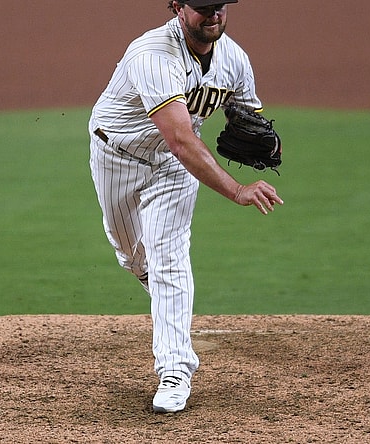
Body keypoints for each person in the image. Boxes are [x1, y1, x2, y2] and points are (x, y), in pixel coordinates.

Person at [88, 0, 283, 413]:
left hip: (177, 168)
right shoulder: (152, 54)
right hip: (117, 154)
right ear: (177, 7)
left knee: (169, 256)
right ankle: (153, 280)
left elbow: (246, 117)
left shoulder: (235, 60)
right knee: (131, 255)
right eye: (203, 7)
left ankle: (175, 369)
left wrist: (259, 134)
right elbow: (180, 138)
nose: (213, 15)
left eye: (220, 6)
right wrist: (236, 189)